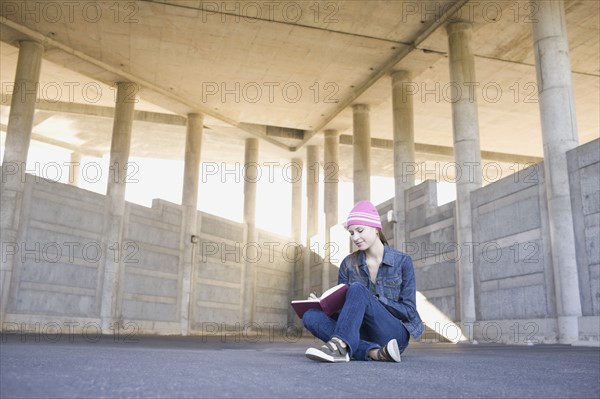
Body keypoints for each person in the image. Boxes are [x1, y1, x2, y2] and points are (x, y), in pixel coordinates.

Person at [303, 200, 423, 363]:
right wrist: (324, 305)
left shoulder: (402, 262)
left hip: (393, 335)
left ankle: (339, 347)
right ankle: (374, 352)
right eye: (351, 233)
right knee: (310, 316)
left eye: (360, 230)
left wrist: (373, 300)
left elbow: (409, 311)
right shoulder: (348, 264)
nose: (355, 237)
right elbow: (344, 312)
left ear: (375, 228)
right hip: (359, 332)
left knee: (357, 289)